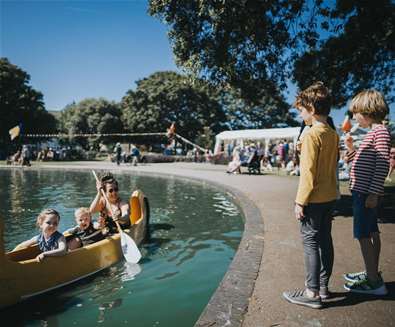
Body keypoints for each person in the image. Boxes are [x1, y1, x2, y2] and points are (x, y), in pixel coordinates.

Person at [282, 82, 339, 309]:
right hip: (330, 196)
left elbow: (308, 173)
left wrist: (300, 201)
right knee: (325, 241)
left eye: (301, 109)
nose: (300, 113)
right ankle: (323, 288)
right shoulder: (332, 134)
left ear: (312, 109)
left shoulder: (310, 135)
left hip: (313, 198)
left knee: (310, 242)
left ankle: (311, 292)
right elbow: (330, 166)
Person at [343, 90, 391, 295]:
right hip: (364, 192)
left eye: (356, 113)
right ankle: (372, 271)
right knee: (371, 231)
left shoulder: (379, 132)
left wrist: (373, 192)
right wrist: (351, 149)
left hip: (365, 193)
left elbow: (381, 163)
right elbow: (367, 160)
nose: (354, 117)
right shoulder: (374, 132)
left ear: (367, 111)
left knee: (363, 234)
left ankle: (373, 281)